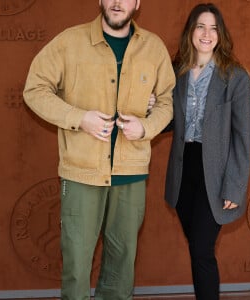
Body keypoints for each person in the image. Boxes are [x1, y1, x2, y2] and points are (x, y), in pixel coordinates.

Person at [23, 0, 175, 299]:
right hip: (82, 173)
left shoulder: (153, 48)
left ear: (138, 3)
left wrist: (146, 128)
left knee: (121, 266)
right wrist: (80, 119)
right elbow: (34, 89)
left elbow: (168, 101)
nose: (118, 2)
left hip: (130, 174)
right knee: (77, 265)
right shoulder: (70, 41)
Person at [164, 3, 250, 300]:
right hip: (183, 171)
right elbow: (172, 121)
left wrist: (235, 186)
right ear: (191, 31)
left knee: (202, 251)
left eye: (214, 28)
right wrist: (153, 109)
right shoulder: (175, 72)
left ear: (221, 34)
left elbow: (243, 136)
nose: (207, 33)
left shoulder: (235, 77)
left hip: (215, 173)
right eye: (201, 26)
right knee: (197, 247)